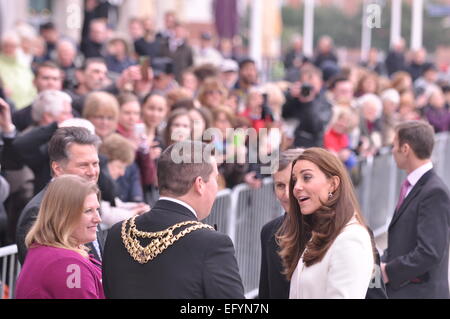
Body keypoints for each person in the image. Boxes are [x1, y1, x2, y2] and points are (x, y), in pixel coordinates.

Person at [102, 140, 245, 298]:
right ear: (200, 184)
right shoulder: (211, 243)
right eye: (215, 179)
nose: (217, 187)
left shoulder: (118, 233)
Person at [278, 147, 374, 298]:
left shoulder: (350, 239)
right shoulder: (320, 233)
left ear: (333, 184)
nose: (296, 187)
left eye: (307, 177)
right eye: (295, 180)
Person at [381, 121, 450, 299]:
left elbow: (429, 252)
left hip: (421, 292)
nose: (392, 150)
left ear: (405, 148)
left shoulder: (434, 191)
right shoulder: (413, 185)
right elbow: (404, 240)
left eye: (394, 145)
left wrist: (388, 271)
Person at [15, 175, 105, 299]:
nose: (98, 219)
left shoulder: (49, 251)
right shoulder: (69, 264)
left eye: (97, 210)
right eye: (88, 211)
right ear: (63, 215)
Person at [259, 148, 304, 299]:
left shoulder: (346, 233)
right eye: (279, 185)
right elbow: (266, 292)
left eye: (292, 184)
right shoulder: (270, 232)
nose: (286, 194)